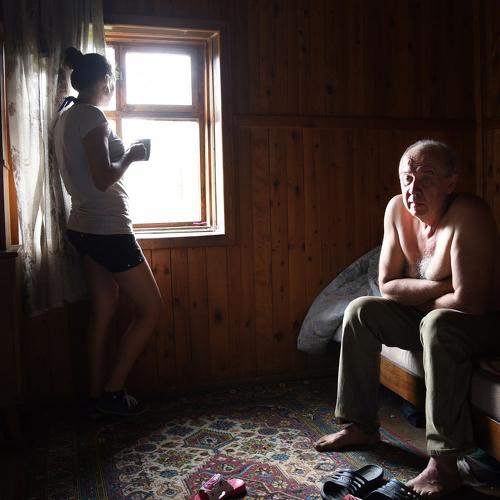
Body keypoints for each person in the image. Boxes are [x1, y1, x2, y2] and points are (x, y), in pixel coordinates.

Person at [313, 139, 500, 498]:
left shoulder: (469, 215)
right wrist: (442, 286)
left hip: (482, 324)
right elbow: (387, 286)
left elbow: (471, 302)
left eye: (426, 179)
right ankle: (360, 425)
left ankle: (444, 465)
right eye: (407, 179)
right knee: (361, 311)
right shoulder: (397, 210)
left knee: (437, 324)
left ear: (450, 182)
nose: (413, 190)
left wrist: (420, 294)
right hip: (433, 316)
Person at [53, 47, 163, 416]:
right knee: (151, 309)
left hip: (84, 228)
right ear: (103, 81)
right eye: (112, 80)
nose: (113, 86)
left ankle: (94, 395)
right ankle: (114, 391)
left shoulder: (67, 117)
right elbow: (102, 178)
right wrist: (131, 154)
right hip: (108, 229)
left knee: (103, 310)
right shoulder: (91, 116)